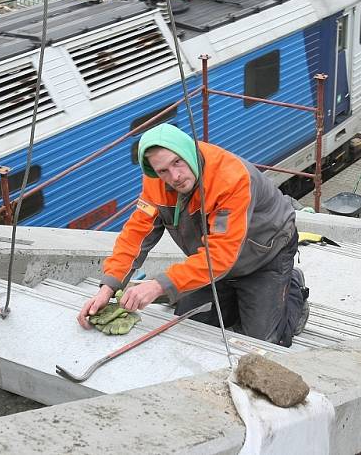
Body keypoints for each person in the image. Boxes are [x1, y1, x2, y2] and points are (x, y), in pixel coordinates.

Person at [77, 123, 309, 347]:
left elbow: (220, 256)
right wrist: (108, 287)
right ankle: (240, 299)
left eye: (177, 162)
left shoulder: (231, 179)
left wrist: (158, 286)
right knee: (187, 321)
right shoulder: (156, 180)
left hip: (265, 255)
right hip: (214, 260)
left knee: (260, 343)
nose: (175, 176)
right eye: (163, 171)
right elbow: (136, 234)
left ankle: (292, 290)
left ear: (188, 151)